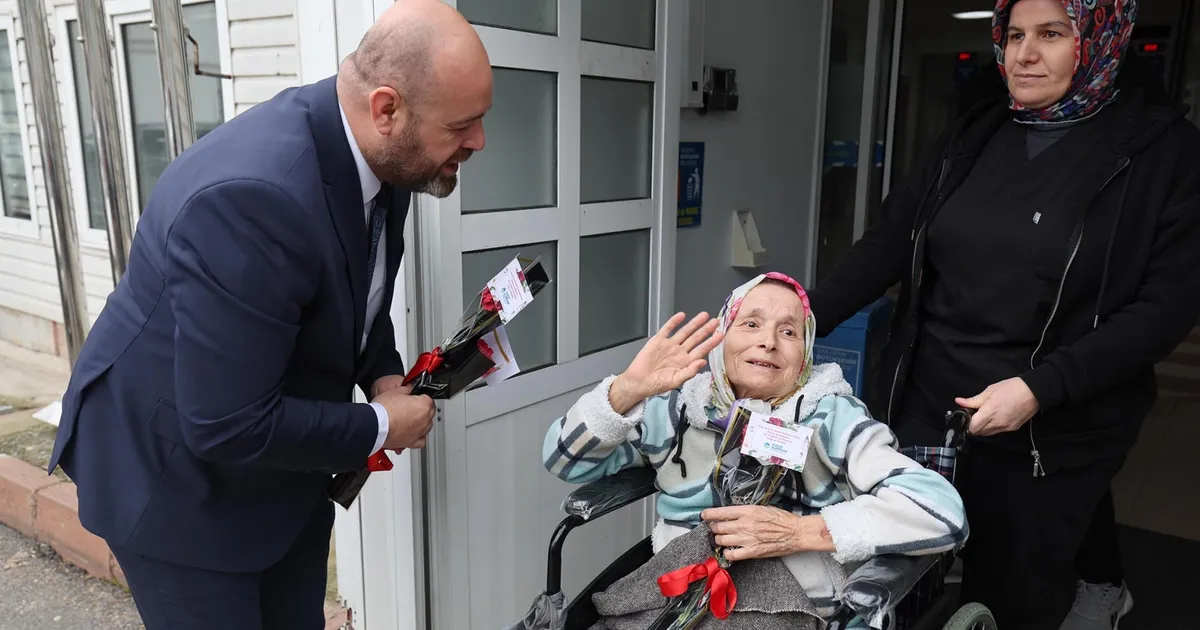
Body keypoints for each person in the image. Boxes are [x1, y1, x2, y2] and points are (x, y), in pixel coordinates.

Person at [44, 1, 492, 628]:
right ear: (386, 109)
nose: (478, 142)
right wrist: (377, 426)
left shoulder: (386, 156)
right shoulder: (254, 200)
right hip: (177, 489)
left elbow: (353, 290)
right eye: (463, 125)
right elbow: (224, 423)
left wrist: (382, 372)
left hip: (280, 473)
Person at [806, 1, 1200, 628]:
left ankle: (1094, 587)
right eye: (1015, 35)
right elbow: (890, 240)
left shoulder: (1165, 153)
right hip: (930, 396)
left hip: (1050, 420)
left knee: (1007, 593)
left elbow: (1163, 309)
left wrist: (1041, 389)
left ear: (1097, 40)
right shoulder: (974, 132)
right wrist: (796, 317)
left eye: (1051, 34)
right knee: (905, 567)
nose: (1024, 53)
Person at [542, 272, 966, 628]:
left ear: (805, 357)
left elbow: (943, 509)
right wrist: (625, 392)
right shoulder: (679, 405)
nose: (768, 342)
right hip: (676, 585)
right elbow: (564, 461)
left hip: (792, 599)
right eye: (750, 324)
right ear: (721, 339)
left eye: (789, 331)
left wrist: (799, 532)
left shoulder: (830, 416)